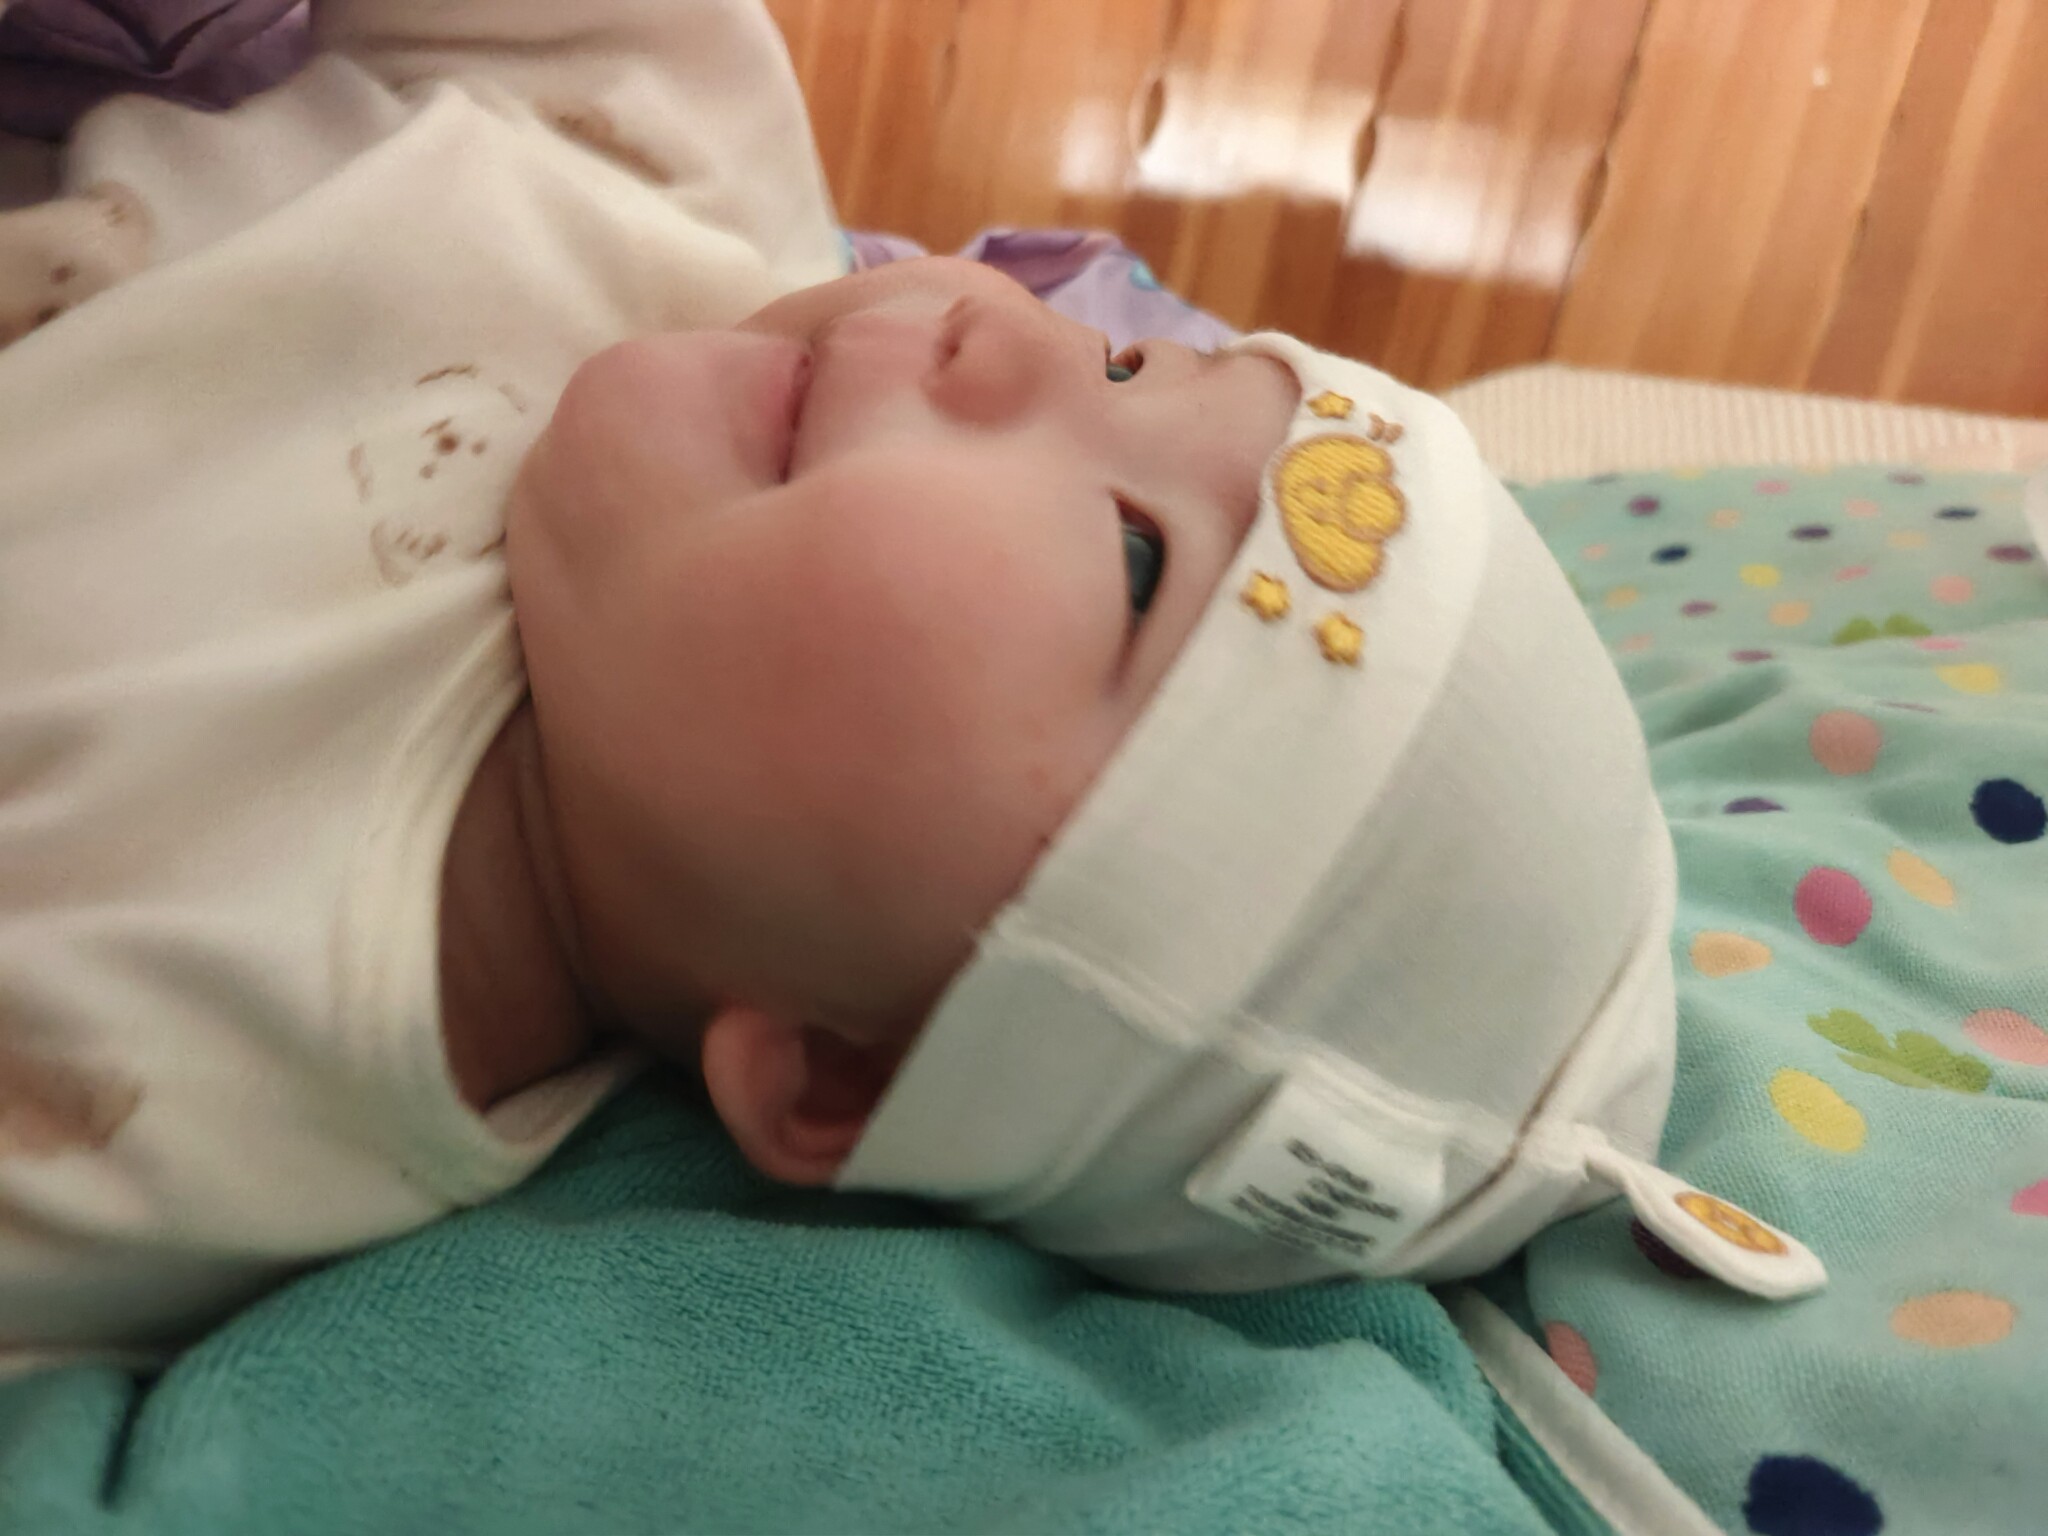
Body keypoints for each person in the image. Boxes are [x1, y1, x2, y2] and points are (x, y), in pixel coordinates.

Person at [0, 0, 1821, 1371]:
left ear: (834, 1073)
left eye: (1133, 556)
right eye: (1128, 360)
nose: (998, 328)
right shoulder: (681, 201)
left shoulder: (181, 1074)